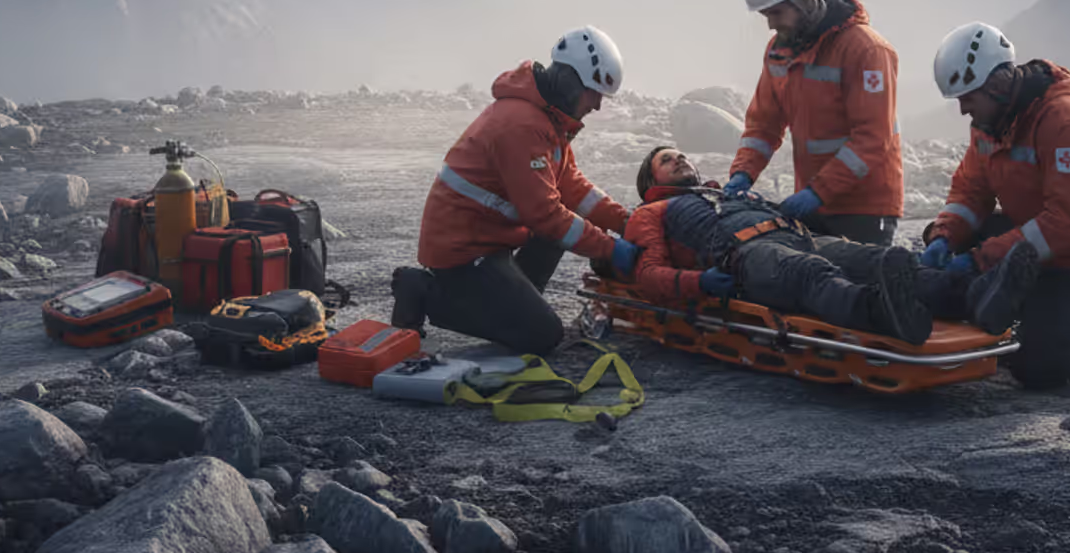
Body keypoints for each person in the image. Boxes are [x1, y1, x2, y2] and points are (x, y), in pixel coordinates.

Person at [917, 21, 1070, 389]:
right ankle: (1021, 305)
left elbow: (1068, 223)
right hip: (1038, 247)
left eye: (968, 97)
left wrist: (981, 258)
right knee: (967, 300)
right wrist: (945, 237)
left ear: (998, 84)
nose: (963, 110)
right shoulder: (990, 124)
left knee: (1039, 366)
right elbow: (971, 192)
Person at [391, 26, 636, 354]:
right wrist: (609, 249)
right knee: (542, 335)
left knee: (561, 228)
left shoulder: (548, 119)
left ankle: (511, 303)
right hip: (463, 251)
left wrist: (625, 222)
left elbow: (570, 186)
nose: (597, 106)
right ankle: (423, 292)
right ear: (571, 81)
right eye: (594, 93)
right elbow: (544, 214)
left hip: (488, 238)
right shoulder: (521, 125)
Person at [620, 145, 934, 344]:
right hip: (746, 256)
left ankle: (957, 291)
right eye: (667, 159)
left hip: (797, 235)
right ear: (651, 181)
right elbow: (647, 274)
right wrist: (700, 281)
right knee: (809, 273)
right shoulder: (650, 213)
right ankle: (880, 311)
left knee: (869, 258)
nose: (679, 159)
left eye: (682, 155)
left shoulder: (726, 194)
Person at [727, 0, 904, 245]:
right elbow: (763, 126)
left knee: (857, 286)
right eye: (765, 15)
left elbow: (872, 139)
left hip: (866, 206)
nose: (771, 24)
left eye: (777, 13)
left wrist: (817, 191)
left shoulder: (866, 50)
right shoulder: (778, 52)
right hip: (815, 200)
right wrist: (742, 173)